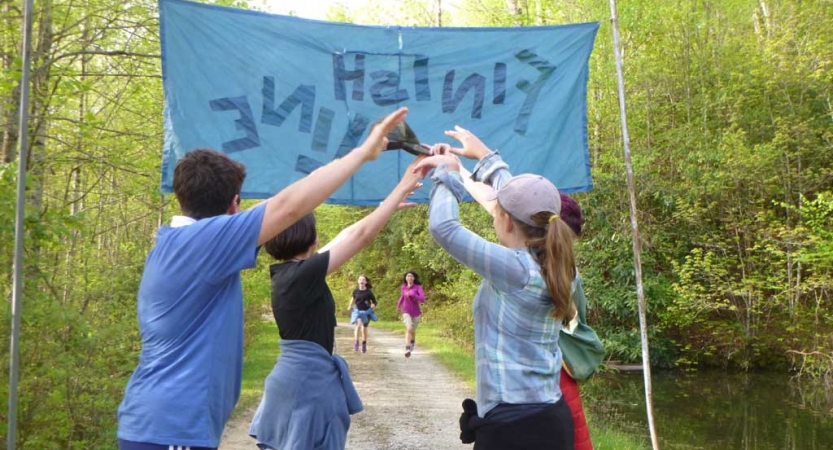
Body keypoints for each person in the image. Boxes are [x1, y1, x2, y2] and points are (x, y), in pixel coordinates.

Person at [116, 107, 410, 450]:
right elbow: (288, 207)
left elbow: (331, 233)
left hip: (163, 426)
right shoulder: (201, 243)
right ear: (234, 204)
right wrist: (362, 153)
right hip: (171, 429)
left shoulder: (181, 245)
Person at [248, 157, 425, 450]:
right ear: (312, 237)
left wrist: (386, 206)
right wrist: (397, 192)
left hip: (296, 381)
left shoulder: (291, 275)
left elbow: (346, 238)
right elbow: (358, 237)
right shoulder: (300, 276)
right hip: (305, 385)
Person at [415, 126, 576, 449]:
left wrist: (447, 175)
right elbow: (526, 205)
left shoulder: (515, 270)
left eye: (496, 210)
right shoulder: (561, 265)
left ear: (504, 220)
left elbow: (444, 227)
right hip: (552, 420)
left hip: (512, 429)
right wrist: (487, 158)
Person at [396, 270, 425, 358]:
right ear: (405, 278)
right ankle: (407, 348)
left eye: (411, 276)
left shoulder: (418, 287)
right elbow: (402, 297)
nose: (409, 278)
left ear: (414, 278)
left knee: (413, 330)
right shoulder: (403, 287)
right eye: (408, 276)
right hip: (406, 311)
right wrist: (398, 305)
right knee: (409, 329)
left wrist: (414, 295)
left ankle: (412, 341)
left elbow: (423, 299)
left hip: (416, 312)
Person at [347, 275, 378, 353]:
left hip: (366, 312)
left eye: (363, 279)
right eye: (360, 279)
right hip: (357, 311)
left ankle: (364, 343)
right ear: (358, 281)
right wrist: (350, 305)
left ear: (366, 282)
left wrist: (372, 306)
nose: (362, 281)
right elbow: (353, 298)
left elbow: (374, 301)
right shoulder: (355, 291)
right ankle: (356, 343)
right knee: (358, 326)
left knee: (364, 328)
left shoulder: (368, 292)